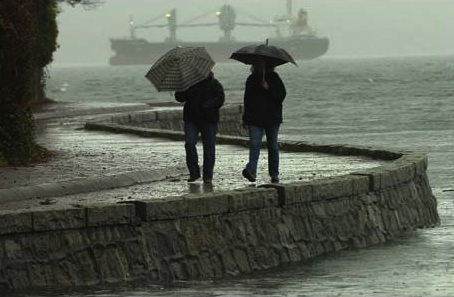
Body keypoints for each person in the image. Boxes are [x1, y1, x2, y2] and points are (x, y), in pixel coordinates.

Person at [241, 58, 287, 183]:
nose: (257, 65)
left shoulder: (274, 77)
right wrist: (245, 118)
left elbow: (281, 95)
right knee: (254, 144)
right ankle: (251, 171)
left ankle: (274, 173)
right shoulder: (251, 79)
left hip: (272, 117)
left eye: (260, 63)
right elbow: (247, 100)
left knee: (272, 145)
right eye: (256, 63)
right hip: (255, 118)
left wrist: (268, 88)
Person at [175, 71, 225, 184]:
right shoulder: (189, 84)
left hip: (209, 119)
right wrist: (181, 87)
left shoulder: (214, 84)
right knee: (189, 143)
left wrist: (208, 104)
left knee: (209, 147)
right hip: (191, 118)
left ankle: (207, 175)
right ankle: (194, 173)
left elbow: (220, 99)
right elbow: (179, 97)